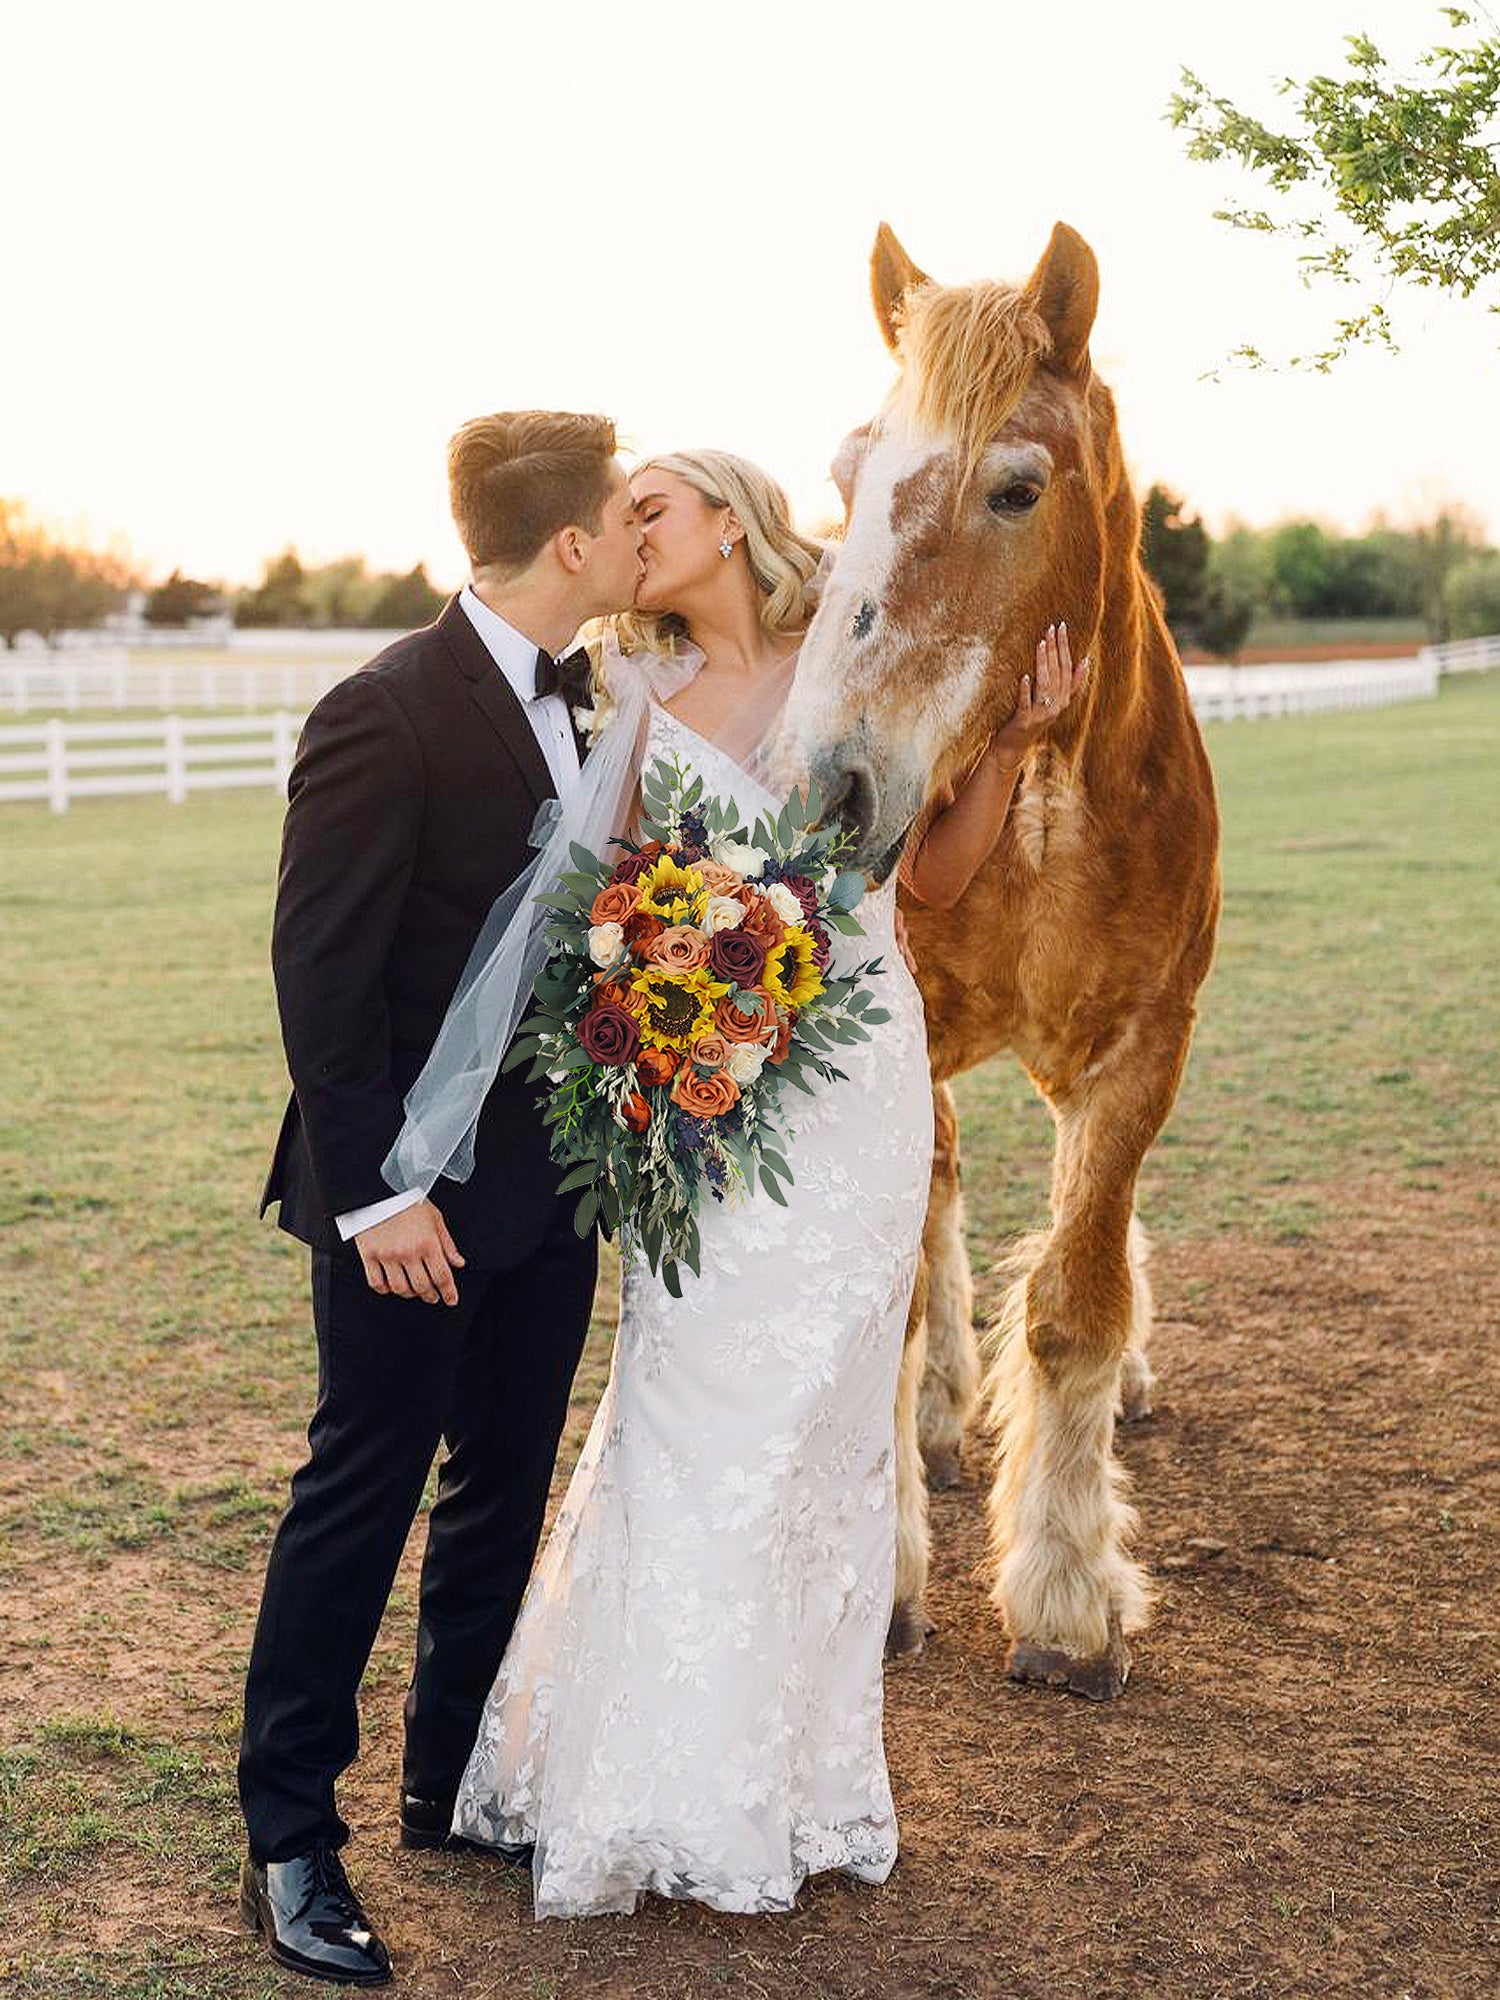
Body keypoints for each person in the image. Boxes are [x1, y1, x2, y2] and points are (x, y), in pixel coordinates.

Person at [391, 449, 1085, 1922]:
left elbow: (936, 882)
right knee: (700, 1416)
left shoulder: (864, 661)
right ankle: (650, 1781)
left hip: (863, 1092)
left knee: (831, 1434)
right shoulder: (635, 702)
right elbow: (606, 912)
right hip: (714, 1111)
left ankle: (797, 1780)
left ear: (729, 517)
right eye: (621, 513)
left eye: (655, 506)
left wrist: (1019, 738)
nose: (632, 531)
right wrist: (673, 1011)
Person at [238, 411, 645, 1987]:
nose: (635, 541)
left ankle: (451, 1782)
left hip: (552, 1196)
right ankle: (288, 1837)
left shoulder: (596, 696)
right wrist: (375, 1200)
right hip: (401, 1205)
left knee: (503, 1482)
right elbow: (320, 974)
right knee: (363, 1487)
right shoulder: (383, 709)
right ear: (570, 545)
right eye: (623, 518)